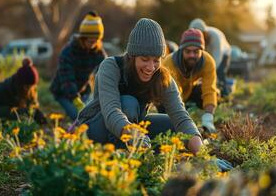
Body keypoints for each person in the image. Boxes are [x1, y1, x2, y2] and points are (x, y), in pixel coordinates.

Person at [75, 18, 203, 154]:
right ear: (132, 56)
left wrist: (205, 157)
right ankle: (121, 157)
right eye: (144, 59)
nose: (150, 67)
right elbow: (111, 112)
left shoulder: (161, 77)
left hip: (133, 131)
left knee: (174, 125)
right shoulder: (111, 66)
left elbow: (182, 118)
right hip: (95, 129)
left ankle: (142, 152)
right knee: (129, 103)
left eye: (156, 60)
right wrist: (135, 137)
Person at [50, 11, 107, 120]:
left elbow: (106, 69)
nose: (92, 45)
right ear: (83, 38)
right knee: (80, 118)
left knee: (92, 116)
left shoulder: (98, 51)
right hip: (64, 92)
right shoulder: (68, 52)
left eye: (95, 41)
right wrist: (75, 99)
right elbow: (67, 79)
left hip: (83, 91)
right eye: (90, 41)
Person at [161, 28, 218, 134]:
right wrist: (184, 122)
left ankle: (201, 117)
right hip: (168, 96)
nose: (192, 55)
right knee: (168, 120)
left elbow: (210, 89)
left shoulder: (208, 62)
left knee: (211, 93)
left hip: (189, 90)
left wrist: (208, 118)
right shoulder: (169, 63)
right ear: (182, 50)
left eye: (196, 52)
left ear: (202, 50)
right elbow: (174, 96)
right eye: (188, 51)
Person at [0, 57, 47, 124]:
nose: (30, 89)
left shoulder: (31, 91)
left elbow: (32, 105)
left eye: (32, 86)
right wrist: (23, 112)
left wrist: (36, 112)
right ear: (20, 84)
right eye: (27, 86)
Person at [189, 18, 232, 97]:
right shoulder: (196, 39)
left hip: (224, 52)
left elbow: (217, 57)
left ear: (204, 33)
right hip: (211, 53)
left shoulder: (215, 36)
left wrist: (208, 72)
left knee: (220, 72)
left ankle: (225, 94)